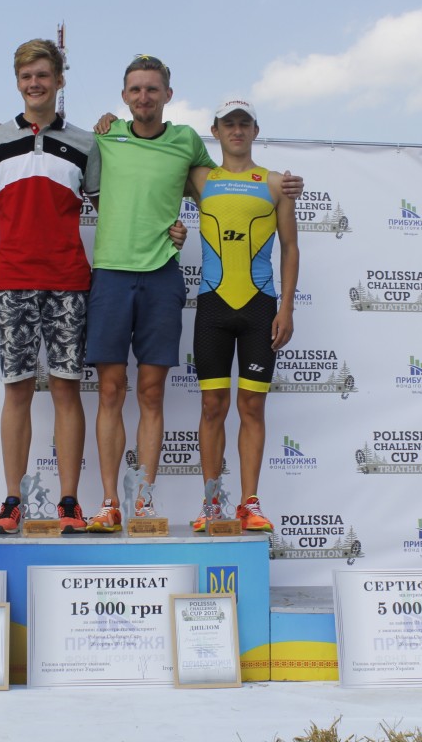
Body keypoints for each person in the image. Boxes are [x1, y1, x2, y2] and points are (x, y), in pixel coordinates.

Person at [82, 56, 303, 533]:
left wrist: (286, 305)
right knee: (123, 391)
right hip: (129, 280)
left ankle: (171, 502)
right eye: (136, 89)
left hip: (198, 286)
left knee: (173, 394)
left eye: (153, 89)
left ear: (168, 94)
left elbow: (271, 230)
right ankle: (117, 502)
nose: (144, 96)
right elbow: (62, 148)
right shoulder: (108, 136)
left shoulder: (201, 152)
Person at [0, 38, 100, 535]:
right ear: (17, 82)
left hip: (68, 281)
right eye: (26, 77)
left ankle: (69, 502)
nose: (35, 84)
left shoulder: (87, 144)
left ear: (59, 81)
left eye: (43, 75)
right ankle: (12, 501)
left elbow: (111, 213)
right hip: (11, 283)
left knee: (67, 390)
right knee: (17, 391)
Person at [186, 100, 298, 533]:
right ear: (215, 131)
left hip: (260, 307)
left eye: (244, 124)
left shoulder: (275, 183)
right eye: (228, 124)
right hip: (212, 306)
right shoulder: (200, 178)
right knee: (212, 405)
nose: (236, 130)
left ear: (255, 131)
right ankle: (211, 503)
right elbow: (148, 160)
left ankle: (250, 503)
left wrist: (286, 307)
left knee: (251, 405)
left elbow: (290, 247)